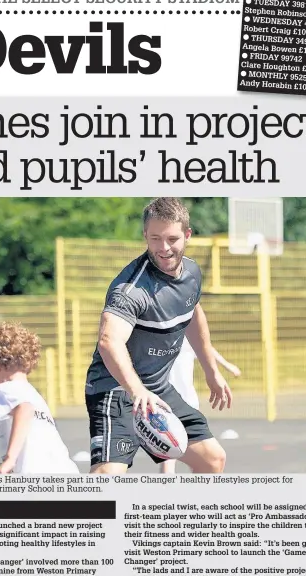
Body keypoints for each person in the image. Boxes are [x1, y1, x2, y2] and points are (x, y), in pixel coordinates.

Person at [85, 197, 232, 474]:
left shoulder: (191, 273)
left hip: (158, 389)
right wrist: (137, 391)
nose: (164, 248)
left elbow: (193, 315)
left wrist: (211, 371)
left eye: (172, 238)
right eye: (155, 238)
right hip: (115, 390)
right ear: (145, 236)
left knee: (213, 459)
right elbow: (108, 341)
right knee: (107, 477)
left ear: (187, 235)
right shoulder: (131, 289)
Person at [0, 322, 79, 474]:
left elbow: (25, 408)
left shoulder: (3, 389)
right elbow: (18, 465)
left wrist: (9, 459)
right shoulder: (35, 396)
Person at [159, 338, 241, 473]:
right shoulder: (172, 332)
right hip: (167, 401)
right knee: (169, 454)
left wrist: (226, 365)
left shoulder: (185, 335)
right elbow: (205, 346)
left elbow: (206, 348)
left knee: (199, 454)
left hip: (187, 401)